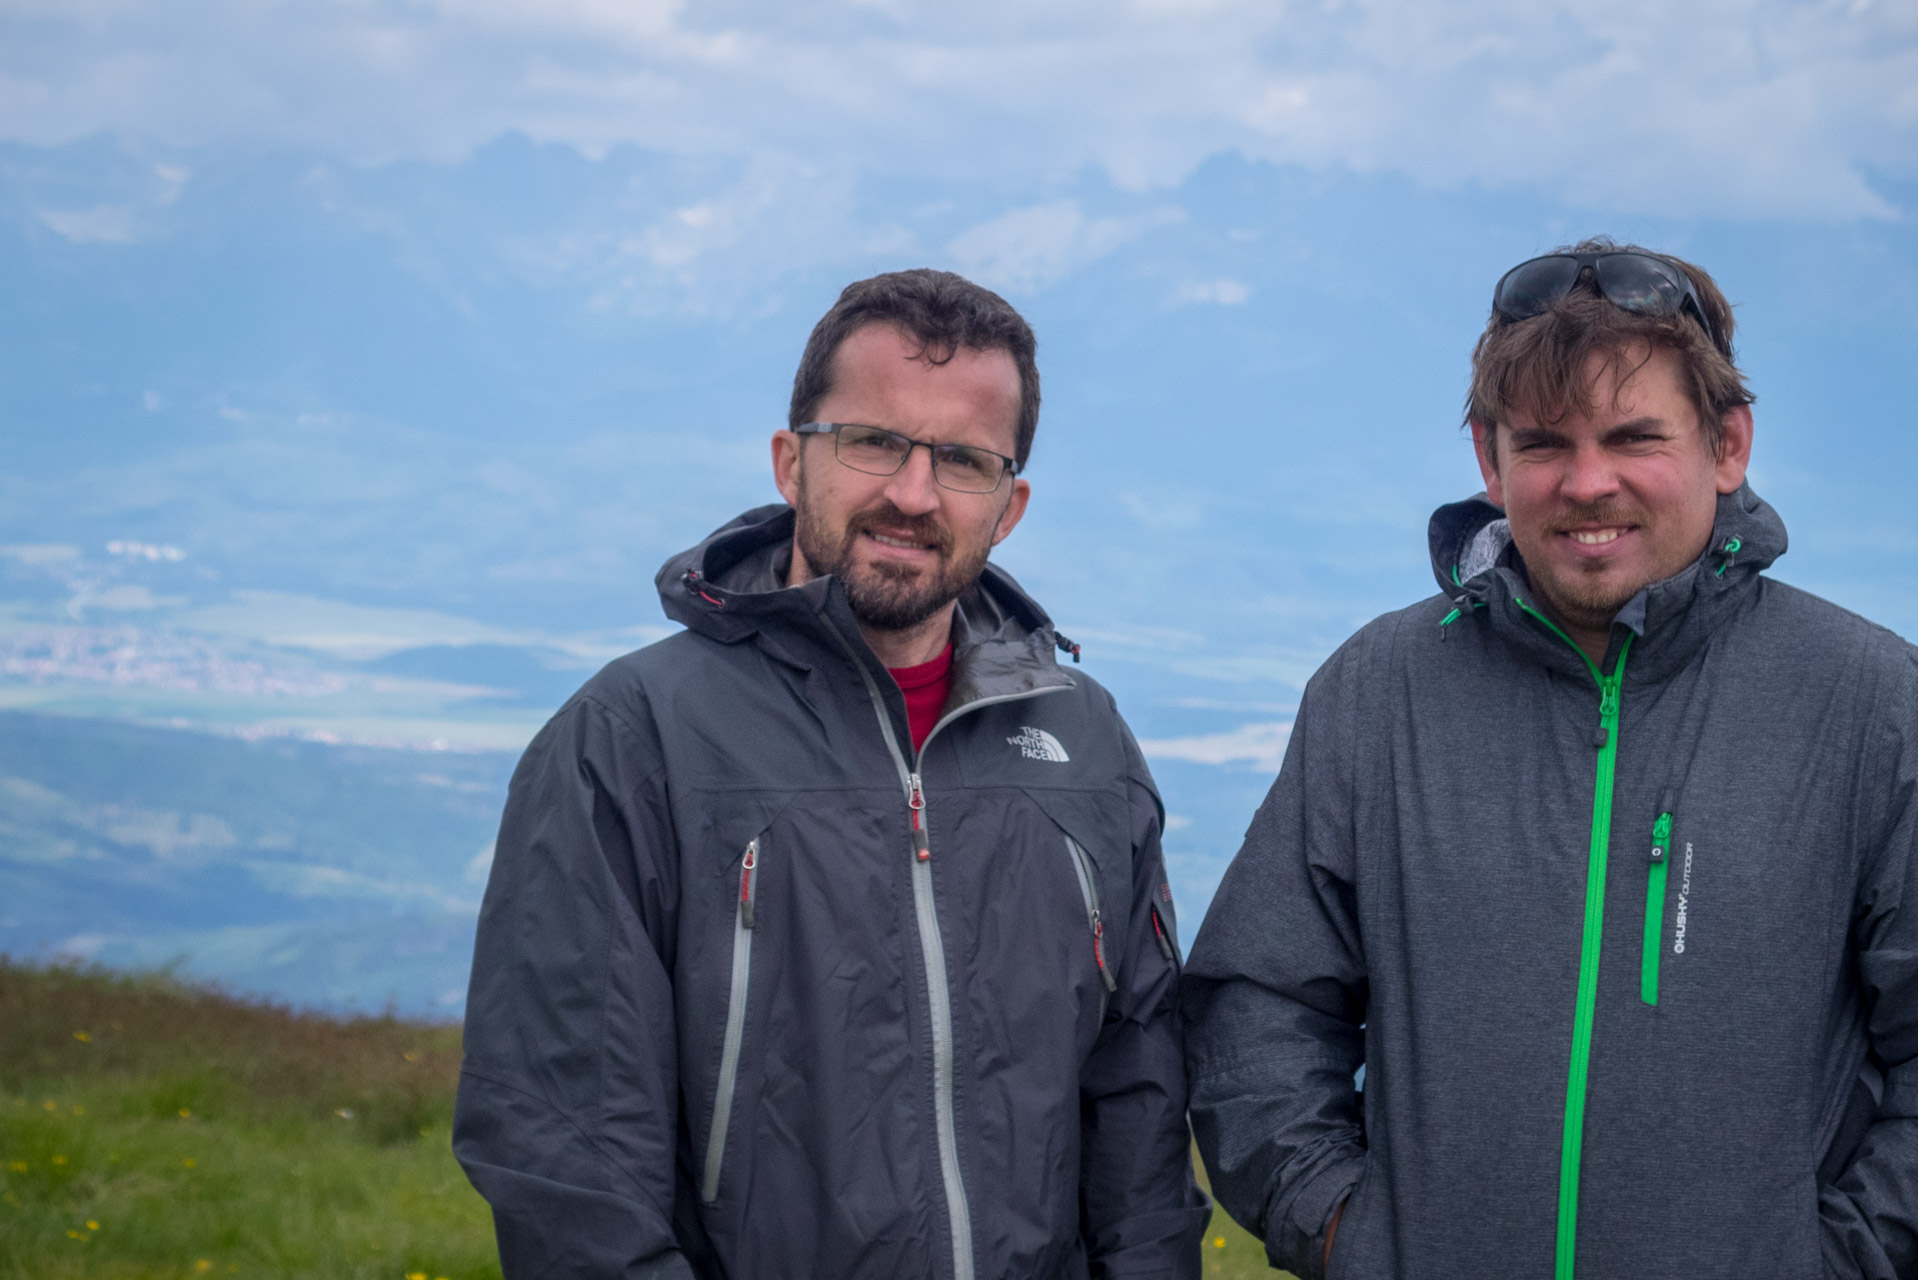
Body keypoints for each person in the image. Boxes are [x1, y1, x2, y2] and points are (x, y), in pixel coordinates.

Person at [1182, 238, 1918, 1280]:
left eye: (1632, 436)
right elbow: (1257, 1003)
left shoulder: (1869, 700)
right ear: (1488, 458)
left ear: (1728, 443)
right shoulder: (1377, 688)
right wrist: (1350, 1230)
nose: (1586, 482)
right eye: (1542, 443)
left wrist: (1835, 1258)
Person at [454, 268, 1207, 1279]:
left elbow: (1141, 1113)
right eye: (874, 442)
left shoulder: (1087, 743)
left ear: (1010, 503)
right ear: (789, 461)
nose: (913, 492)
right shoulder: (629, 739)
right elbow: (563, 1152)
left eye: (962, 459)